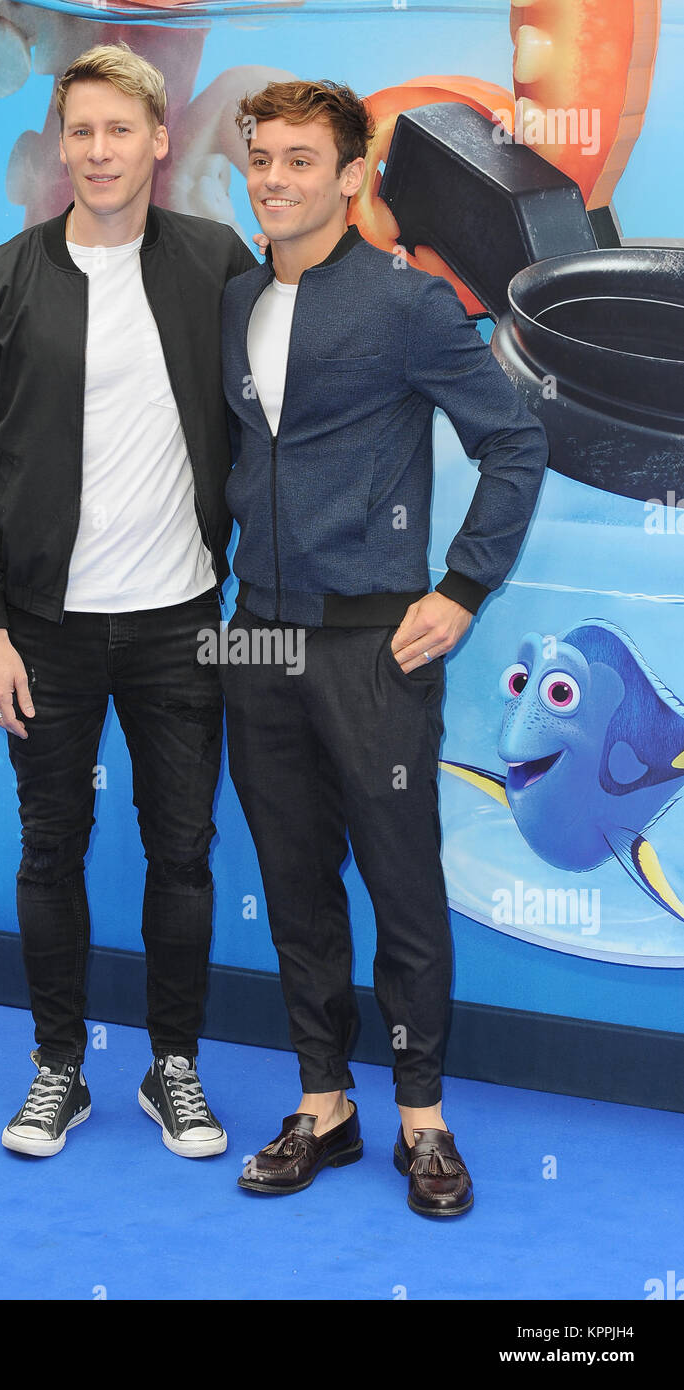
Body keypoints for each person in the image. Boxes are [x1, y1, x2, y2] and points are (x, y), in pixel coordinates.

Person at [219, 80, 549, 1214]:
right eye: (261, 159)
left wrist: (461, 588)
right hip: (255, 640)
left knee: (403, 888)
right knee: (293, 880)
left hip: (374, 648)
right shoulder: (235, 300)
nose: (276, 179)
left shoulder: (408, 305)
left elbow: (514, 441)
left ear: (353, 176)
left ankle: (423, 1118)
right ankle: (325, 1103)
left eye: (302, 161)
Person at [0, 43, 256, 1160]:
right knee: (49, 845)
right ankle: (58, 1068)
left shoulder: (219, 262)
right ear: (59, 142)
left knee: (183, 851)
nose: (100, 150)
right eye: (81, 130)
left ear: (159, 140)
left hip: (181, 620)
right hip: (45, 633)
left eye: (121, 129)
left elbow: (280, 409)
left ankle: (174, 1067)